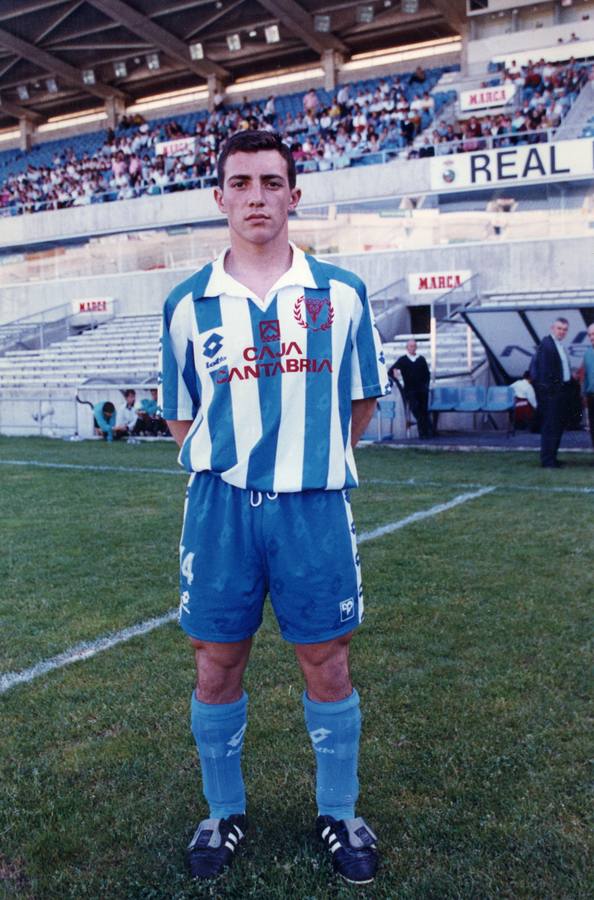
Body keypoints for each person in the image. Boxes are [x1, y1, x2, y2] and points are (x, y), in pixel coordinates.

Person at [159, 130, 389, 885]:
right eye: (240, 183)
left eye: (270, 181)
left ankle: (339, 810)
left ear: (295, 193)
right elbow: (180, 418)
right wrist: (236, 460)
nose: (256, 196)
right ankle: (223, 812)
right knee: (216, 665)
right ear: (218, 196)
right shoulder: (187, 304)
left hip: (313, 508)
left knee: (328, 662)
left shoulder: (342, 294)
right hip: (221, 511)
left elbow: (359, 403)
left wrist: (305, 460)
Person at [530, 317, 572, 467]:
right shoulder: (547, 345)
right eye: (559, 328)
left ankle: (552, 457)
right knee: (550, 427)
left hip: (561, 392)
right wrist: (549, 393)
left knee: (556, 427)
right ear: (552, 328)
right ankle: (548, 460)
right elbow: (542, 373)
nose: (562, 332)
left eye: (565, 329)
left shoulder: (558, 345)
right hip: (552, 395)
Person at [389, 339, 432, 438]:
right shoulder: (403, 359)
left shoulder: (421, 359)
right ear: (407, 348)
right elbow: (391, 370)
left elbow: (427, 374)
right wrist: (395, 372)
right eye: (410, 346)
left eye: (414, 346)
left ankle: (426, 432)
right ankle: (424, 431)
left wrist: (426, 386)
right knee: (415, 408)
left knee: (423, 410)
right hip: (410, 390)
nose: (412, 348)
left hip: (422, 390)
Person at [580, 323, 594, 448]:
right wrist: (584, 394)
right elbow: (585, 376)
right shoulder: (587, 353)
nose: (592, 337)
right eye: (590, 334)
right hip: (591, 396)